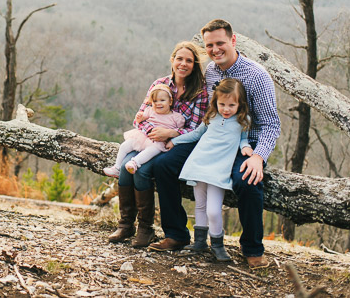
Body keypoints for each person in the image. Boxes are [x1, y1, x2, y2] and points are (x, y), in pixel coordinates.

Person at [148, 19, 280, 270]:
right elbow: (205, 115)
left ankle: (252, 248)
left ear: (233, 41)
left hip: (246, 143)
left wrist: (258, 157)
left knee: (248, 180)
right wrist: (176, 136)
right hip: (212, 138)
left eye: (220, 43)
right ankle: (177, 234)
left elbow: (271, 124)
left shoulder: (257, 76)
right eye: (209, 45)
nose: (215, 49)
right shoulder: (211, 72)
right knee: (164, 165)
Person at [107, 41, 208, 248]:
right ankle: (126, 224)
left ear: (195, 64)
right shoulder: (159, 84)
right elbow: (139, 118)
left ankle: (145, 228)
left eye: (189, 60)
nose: (183, 64)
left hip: (176, 145)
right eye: (179, 59)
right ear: (172, 60)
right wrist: (153, 133)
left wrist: (171, 134)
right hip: (147, 139)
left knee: (142, 170)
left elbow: (196, 128)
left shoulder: (200, 92)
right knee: (127, 168)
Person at [166, 78, 252, 261]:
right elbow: (196, 135)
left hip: (218, 170)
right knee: (200, 205)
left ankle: (217, 244)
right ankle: (199, 242)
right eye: (222, 104)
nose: (226, 109)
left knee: (213, 210)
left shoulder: (242, 121)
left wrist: (246, 148)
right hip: (199, 163)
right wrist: (175, 140)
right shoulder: (211, 117)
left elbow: (244, 140)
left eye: (231, 105)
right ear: (216, 102)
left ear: (240, 104)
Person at [103, 84, 185, 178]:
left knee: (152, 150)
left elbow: (179, 131)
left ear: (170, 102)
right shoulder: (150, 111)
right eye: (155, 101)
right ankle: (116, 167)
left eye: (162, 100)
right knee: (125, 145)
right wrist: (139, 117)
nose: (158, 103)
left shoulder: (176, 117)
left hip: (158, 141)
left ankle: (134, 163)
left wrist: (169, 134)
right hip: (143, 136)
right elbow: (140, 121)